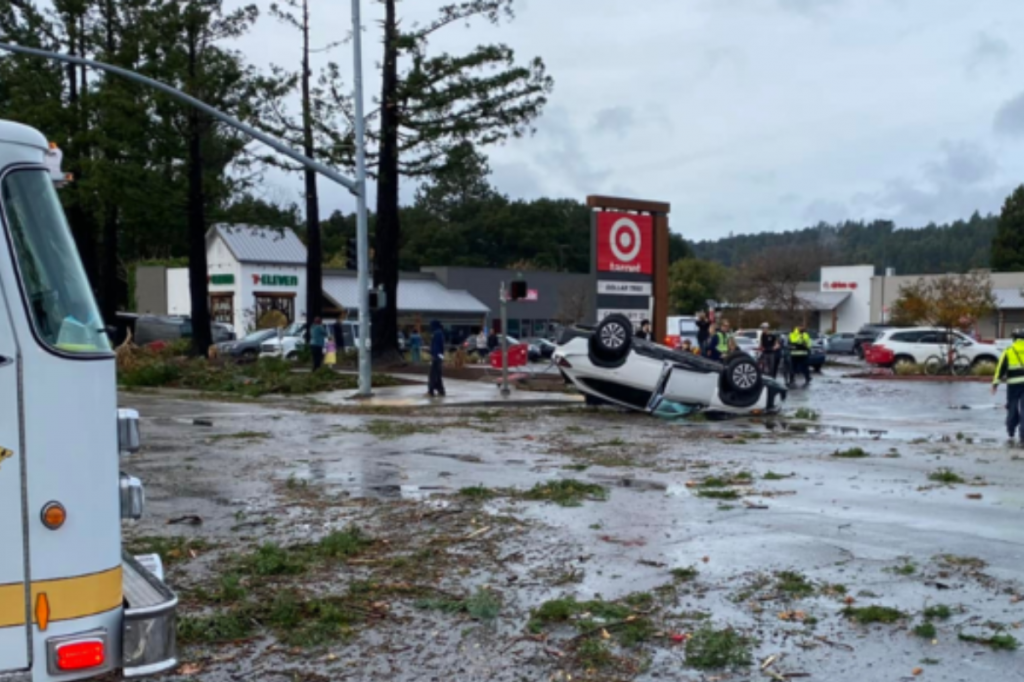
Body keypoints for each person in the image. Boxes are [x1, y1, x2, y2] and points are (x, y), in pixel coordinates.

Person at [992, 329, 1024, 444]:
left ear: (1014, 339)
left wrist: (995, 384)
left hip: (1013, 385)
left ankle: (1011, 430)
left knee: (1012, 408)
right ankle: (1023, 435)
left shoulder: (1009, 350)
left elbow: (1000, 369)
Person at [428, 320, 446, 397]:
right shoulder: (439, 333)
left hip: (436, 356)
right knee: (437, 374)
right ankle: (440, 390)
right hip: (439, 356)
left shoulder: (436, 333)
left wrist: (434, 355)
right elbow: (441, 347)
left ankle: (431, 390)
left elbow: (436, 346)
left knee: (433, 374)